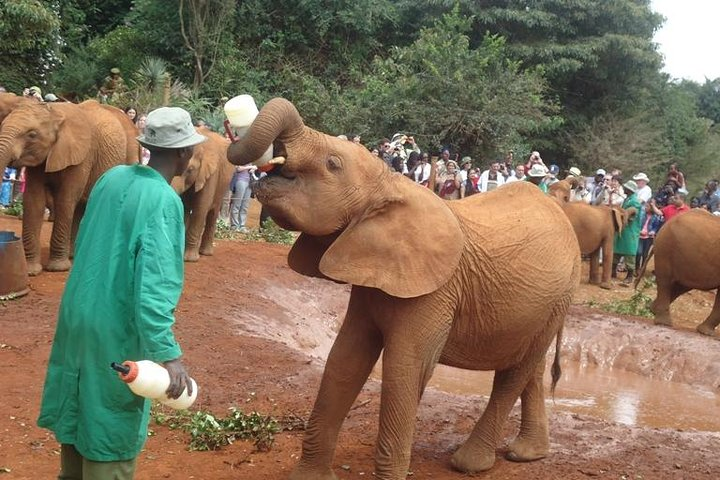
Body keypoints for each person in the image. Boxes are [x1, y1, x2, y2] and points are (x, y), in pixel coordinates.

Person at [37, 107, 204, 479]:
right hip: (115, 326)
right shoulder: (164, 202)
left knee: (80, 408)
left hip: (77, 317)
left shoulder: (110, 179)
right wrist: (168, 355)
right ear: (182, 153)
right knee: (110, 421)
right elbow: (155, 288)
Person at [613, 180, 642, 286]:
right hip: (623, 229)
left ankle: (630, 276)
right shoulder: (627, 199)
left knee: (629, 252)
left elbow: (632, 215)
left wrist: (622, 215)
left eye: (626, 187)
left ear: (629, 190)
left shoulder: (634, 201)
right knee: (617, 249)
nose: (624, 188)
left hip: (630, 230)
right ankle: (612, 272)